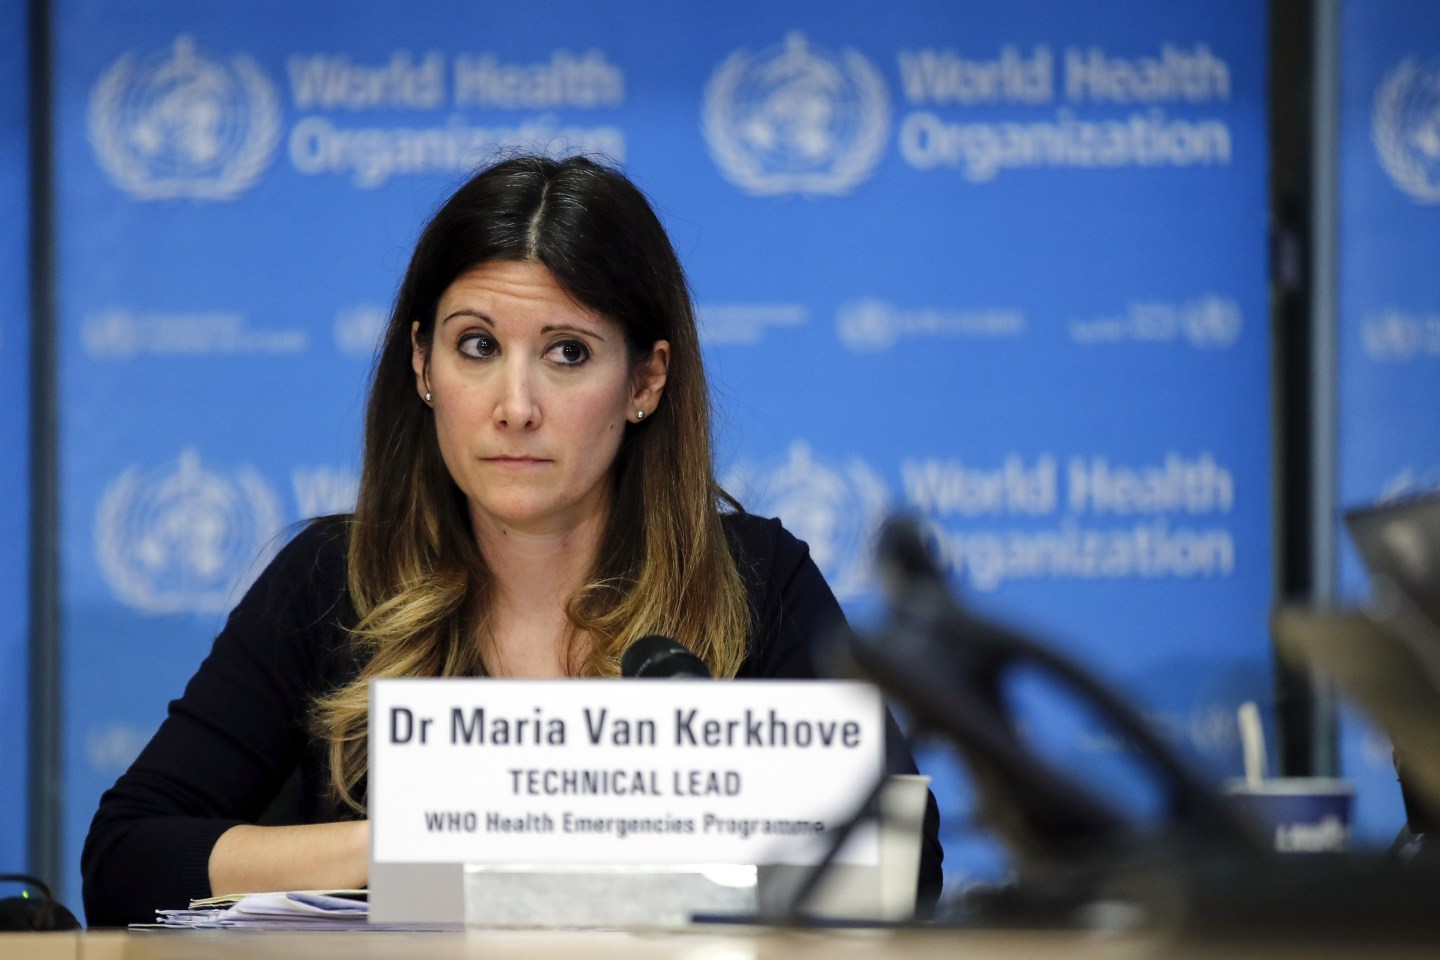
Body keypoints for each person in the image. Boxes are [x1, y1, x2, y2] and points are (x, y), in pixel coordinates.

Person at [81, 154, 942, 926]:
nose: (516, 404)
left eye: (568, 353)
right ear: (422, 366)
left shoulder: (755, 579)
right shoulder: (332, 580)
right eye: (478, 346)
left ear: (646, 380)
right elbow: (126, 859)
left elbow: (906, 865)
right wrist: (427, 840)